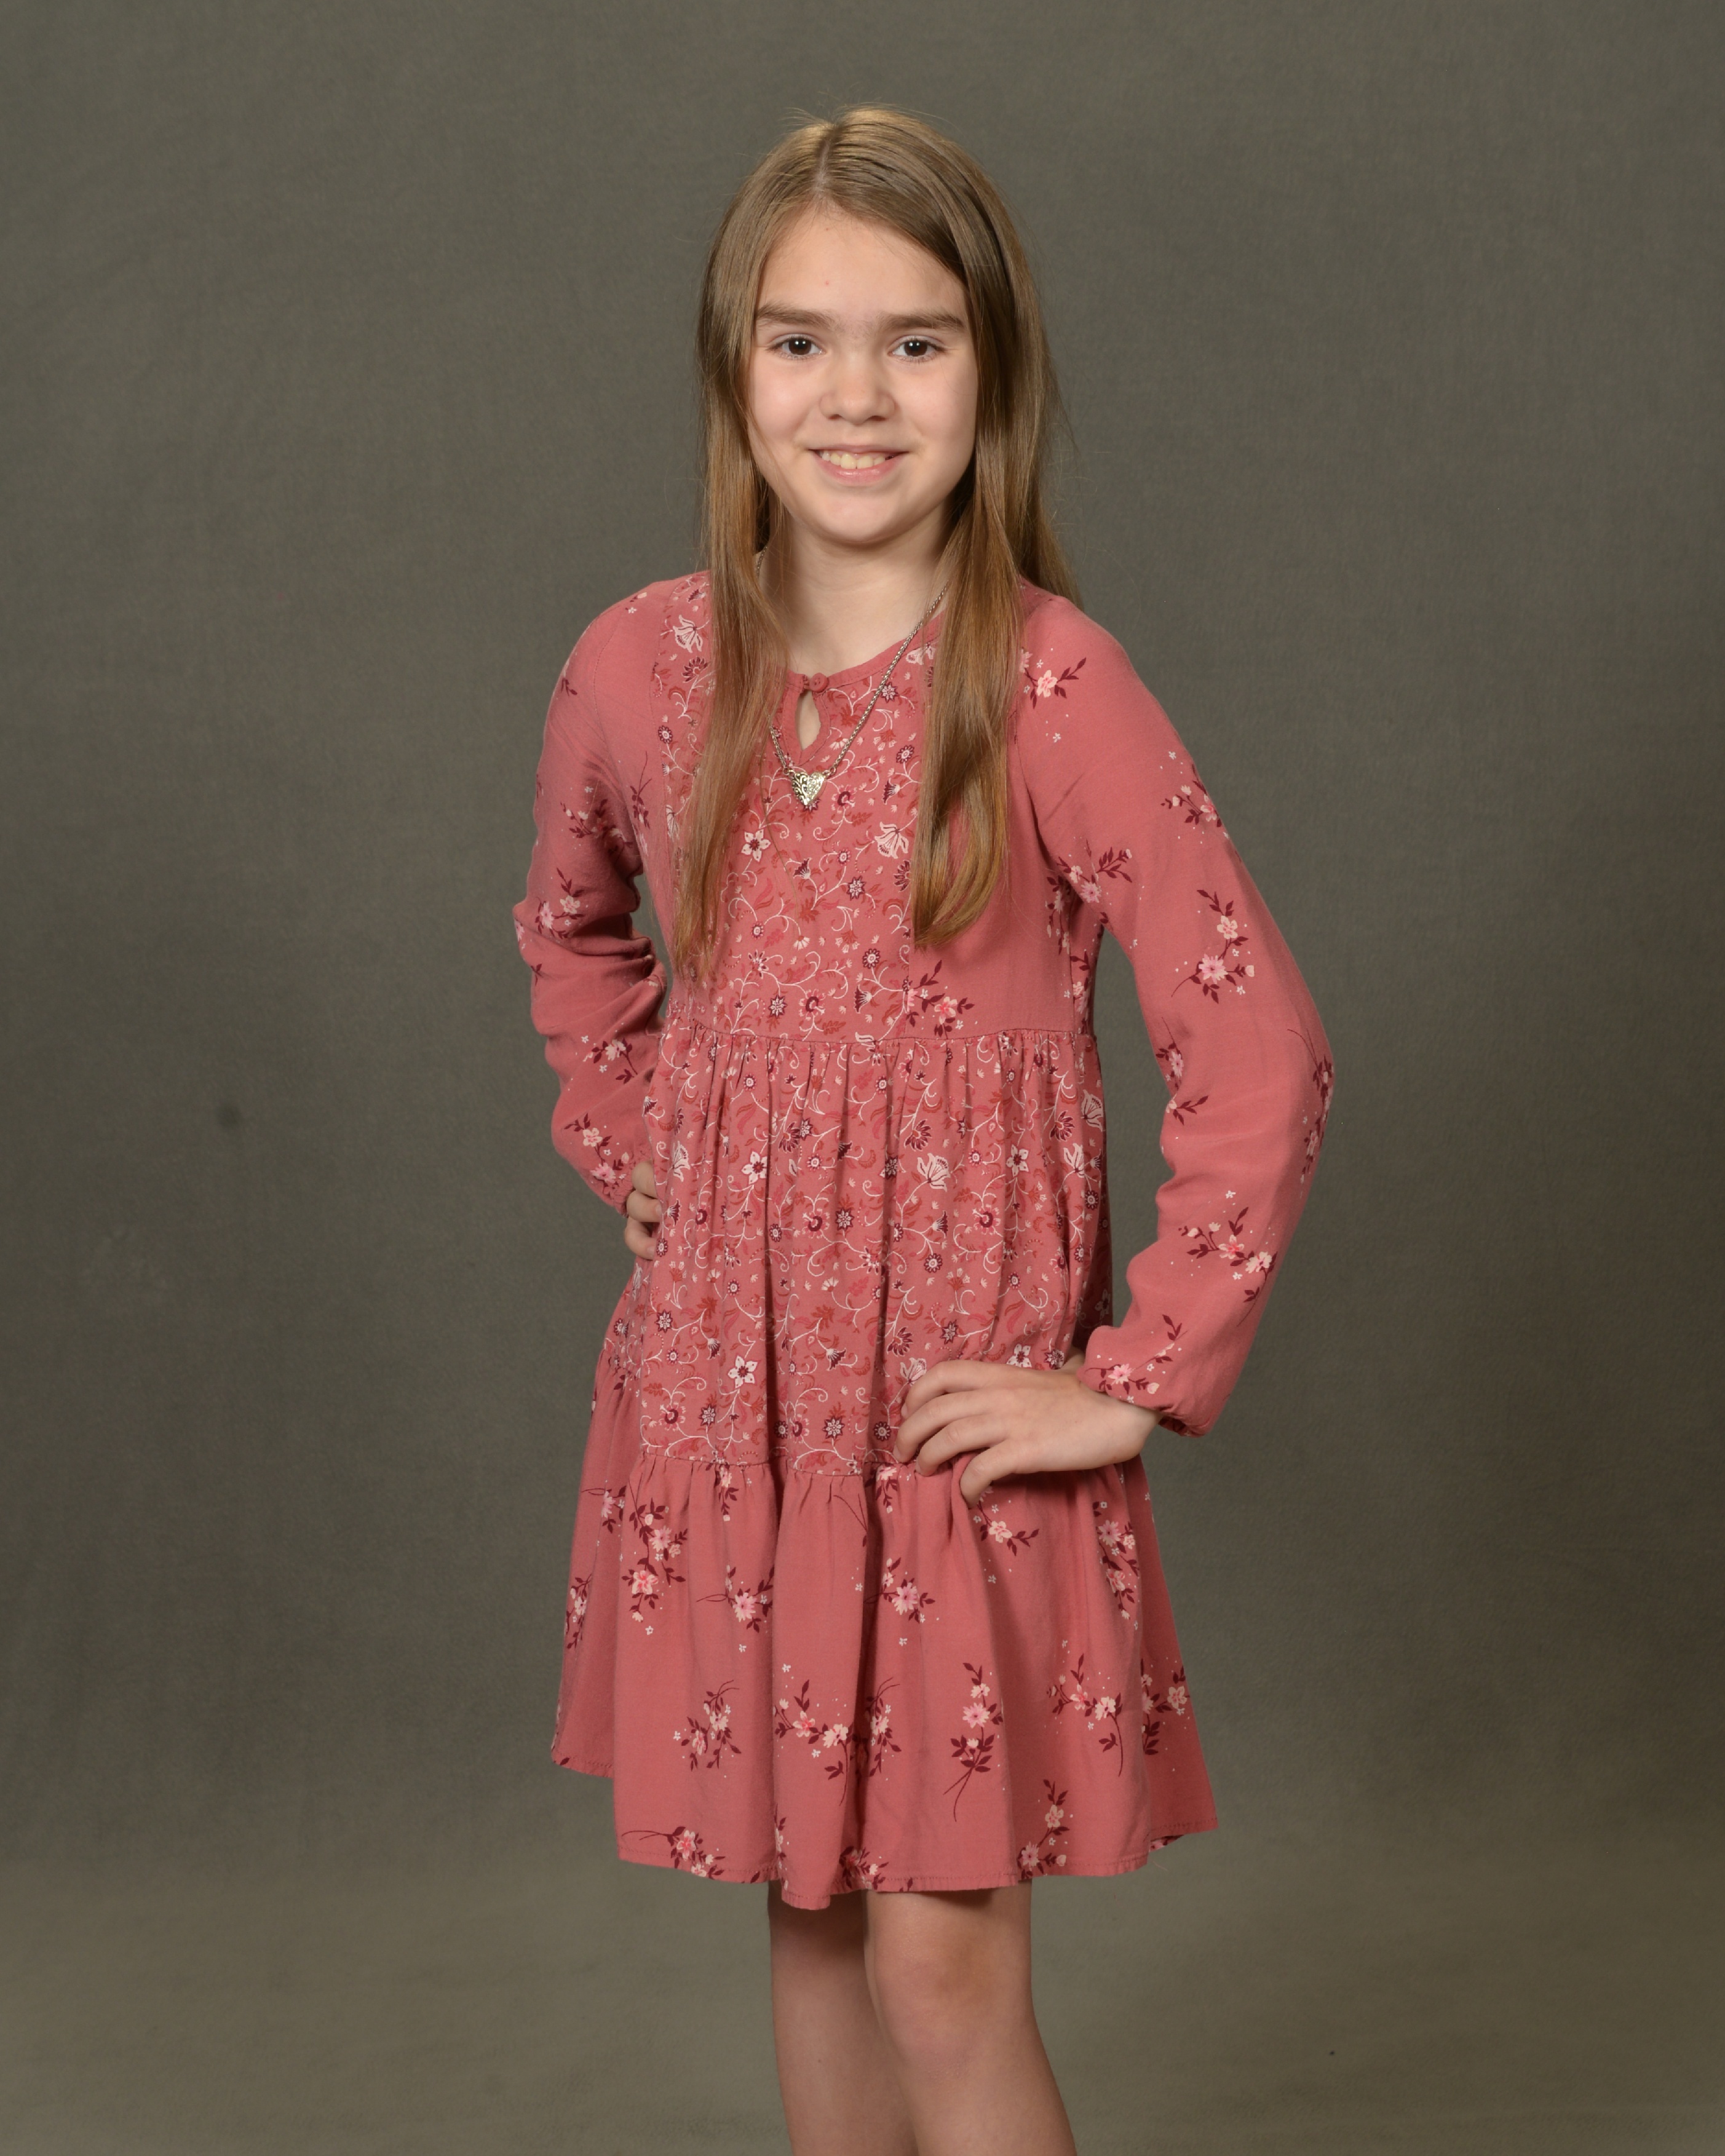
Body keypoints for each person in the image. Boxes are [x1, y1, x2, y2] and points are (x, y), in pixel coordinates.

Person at [514, 105, 1333, 2156]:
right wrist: (644, 1145)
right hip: (748, 1415)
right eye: (800, 341)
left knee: (941, 1969)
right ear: (733, 371)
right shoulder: (636, 669)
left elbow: (1259, 1047)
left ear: (994, 373)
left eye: (916, 341)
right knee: (810, 1926)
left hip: (948, 1434)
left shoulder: (1049, 686)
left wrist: (1131, 1375)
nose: (856, 395)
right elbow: (573, 935)